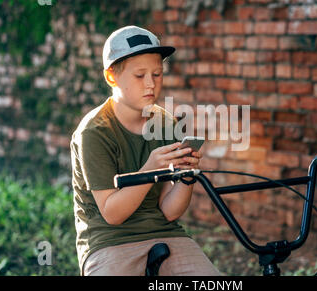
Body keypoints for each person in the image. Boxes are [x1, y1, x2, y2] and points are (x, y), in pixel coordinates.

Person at [70, 25, 220, 276]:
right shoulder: (94, 132)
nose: (151, 84)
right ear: (111, 77)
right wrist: (151, 168)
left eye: (157, 74)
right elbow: (112, 214)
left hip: (164, 232)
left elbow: (169, 211)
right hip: (109, 240)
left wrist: (186, 176)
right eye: (140, 76)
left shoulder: (166, 124)